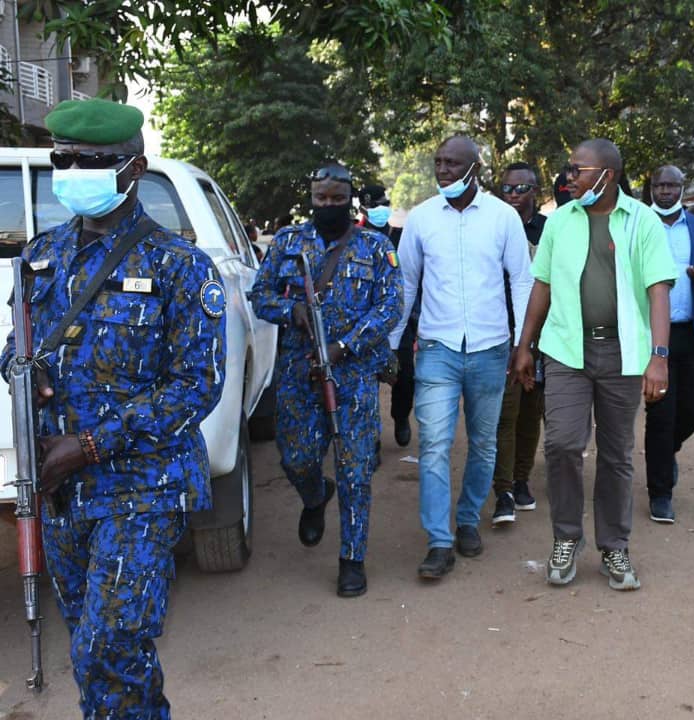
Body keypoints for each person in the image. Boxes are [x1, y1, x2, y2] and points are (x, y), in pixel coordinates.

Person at [0, 98, 226, 718]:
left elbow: (197, 384)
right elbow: (17, 346)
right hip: (61, 489)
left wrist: (90, 445)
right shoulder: (40, 257)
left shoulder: (179, 265)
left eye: (91, 162)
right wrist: (25, 371)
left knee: (109, 646)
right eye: (64, 160)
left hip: (143, 487)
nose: (74, 172)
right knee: (97, 652)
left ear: (134, 169)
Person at [511, 138, 677, 591]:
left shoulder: (642, 221)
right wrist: (524, 345)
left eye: (577, 170)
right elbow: (542, 285)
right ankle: (566, 538)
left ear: (607, 175)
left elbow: (658, 291)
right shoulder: (560, 221)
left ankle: (614, 546)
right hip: (566, 350)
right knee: (562, 444)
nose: (569, 177)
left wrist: (658, 357)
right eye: (569, 169)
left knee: (616, 453)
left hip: (623, 353)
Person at [250, 162, 402, 598]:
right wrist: (292, 311)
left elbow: (391, 306)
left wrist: (345, 346)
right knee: (296, 458)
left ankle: (352, 560)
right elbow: (260, 296)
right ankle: (316, 496)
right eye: (322, 199)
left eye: (338, 199)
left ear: (350, 199)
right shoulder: (288, 242)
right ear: (311, 199)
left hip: (354, 374)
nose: (329, 205)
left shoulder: (375, 246)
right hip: (299, 373)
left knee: (356, 468)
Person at [388, 135, 533, 579]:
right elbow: (406, 283)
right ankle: (439, 540)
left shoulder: (503, 217)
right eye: (438, 162)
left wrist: (523, 344)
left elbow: (521, 280)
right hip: (437, 349)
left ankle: (468, 519)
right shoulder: (421, 219)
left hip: (491, 349)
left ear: (475, 169)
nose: (442, 170)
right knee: (433, 444)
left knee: (484, 443)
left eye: (452, 163)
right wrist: (393, 342)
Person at [643, 164, 694, 523]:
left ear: (682, 187)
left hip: (691, 334)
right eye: (658, 185)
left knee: (693, 411)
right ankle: (660, 494)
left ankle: (668, 452)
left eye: (671, 185)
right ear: (651, 188)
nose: (664, 191)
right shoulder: (639, 224)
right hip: (652, 336)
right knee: (660, 416)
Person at [491, 162, 547, 526]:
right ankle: (504, 488)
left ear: (535, 192)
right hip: (503, 333)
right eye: (507, 189)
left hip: (544, 334)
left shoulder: (550, 229)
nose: (513, 195)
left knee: (531, 410)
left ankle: (522, 478)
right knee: (505, 412)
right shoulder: (493, 226)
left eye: (521, 189)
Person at [358, 183, 416, 447]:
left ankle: (401, 417)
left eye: (383, 205)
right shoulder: (353, 239)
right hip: (363, 322)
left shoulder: (401, 237)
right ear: (363, 209)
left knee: (404, 378)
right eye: (374, 206)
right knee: (366, 382)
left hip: (397, 321)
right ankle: (371, 437)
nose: (380, 210)